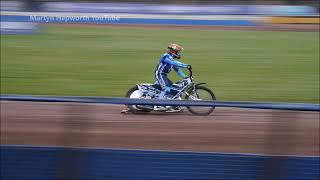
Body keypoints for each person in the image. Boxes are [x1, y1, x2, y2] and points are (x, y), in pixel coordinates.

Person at [153, 43, 190, 111]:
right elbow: (173, 63)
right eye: (177, 52)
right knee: (166, 88)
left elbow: (178, 70)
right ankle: (157, 105)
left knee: (172, 88)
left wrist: (185, 77)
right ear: (173, 51)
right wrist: (185, 65)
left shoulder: (172, 59)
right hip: (160, 74)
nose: (178, 53)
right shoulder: (166, 56)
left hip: (164, 75)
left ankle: (173, 105)